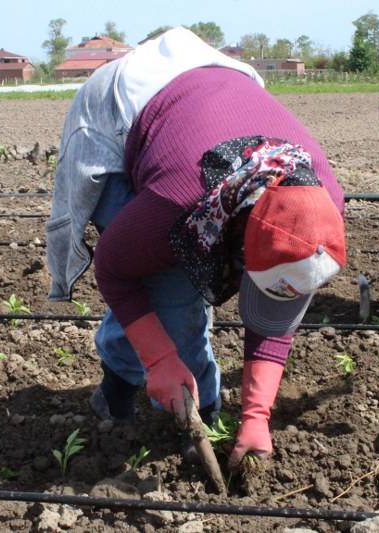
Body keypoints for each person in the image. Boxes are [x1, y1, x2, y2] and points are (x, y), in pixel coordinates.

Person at [46, 27, 346, 466]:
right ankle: (185, 414)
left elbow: (280, 312)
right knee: (169, 290)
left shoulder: (322, 205)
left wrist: (258, 415)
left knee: (157, 296)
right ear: (237, 246)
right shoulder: (179, 202)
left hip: (208, 105)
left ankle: (119, 392)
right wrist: (161, 358)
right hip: (117, 114)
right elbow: (114, 268)